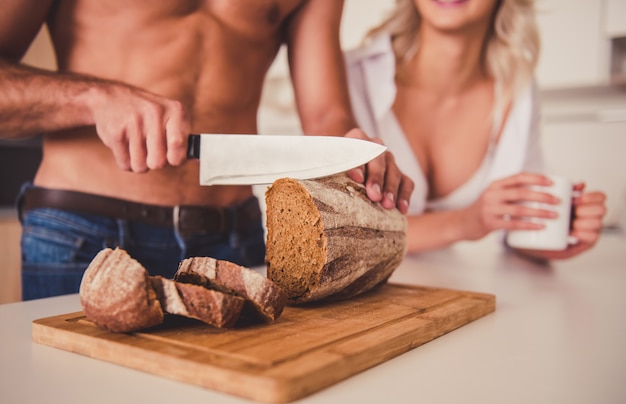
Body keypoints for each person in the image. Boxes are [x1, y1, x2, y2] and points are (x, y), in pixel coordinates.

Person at [0, 0, 414, 300]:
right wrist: (93, 98)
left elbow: (326, 113)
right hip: (84, 238)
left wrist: (352, 149)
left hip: (234, 243)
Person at [344, 0, 606, 260]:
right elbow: (347, 229)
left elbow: (517, 226)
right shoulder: (348, 79)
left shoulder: (518, 91)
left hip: (452, 293)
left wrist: (561, 228)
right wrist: (465, 222)